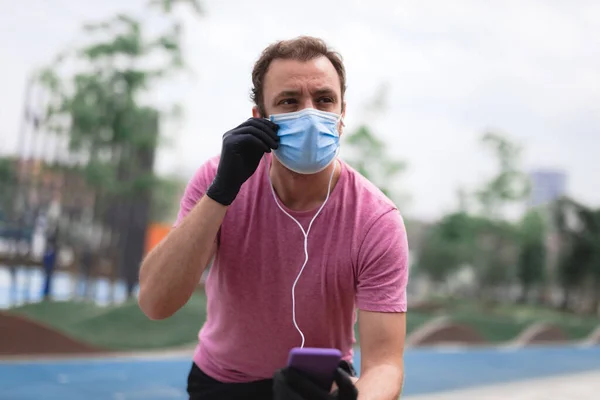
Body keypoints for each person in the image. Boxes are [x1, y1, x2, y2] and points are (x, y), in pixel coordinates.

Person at [138, 36, 409, 400]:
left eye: (325, 99)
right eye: (289, 102)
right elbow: (156, 303)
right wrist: (221, 193)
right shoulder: (216, 181)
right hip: (222, 383)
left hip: (319, 387)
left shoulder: (376, 220)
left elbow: (385, 365)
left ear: (342, 115)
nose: (311, 114)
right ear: (260, 119)